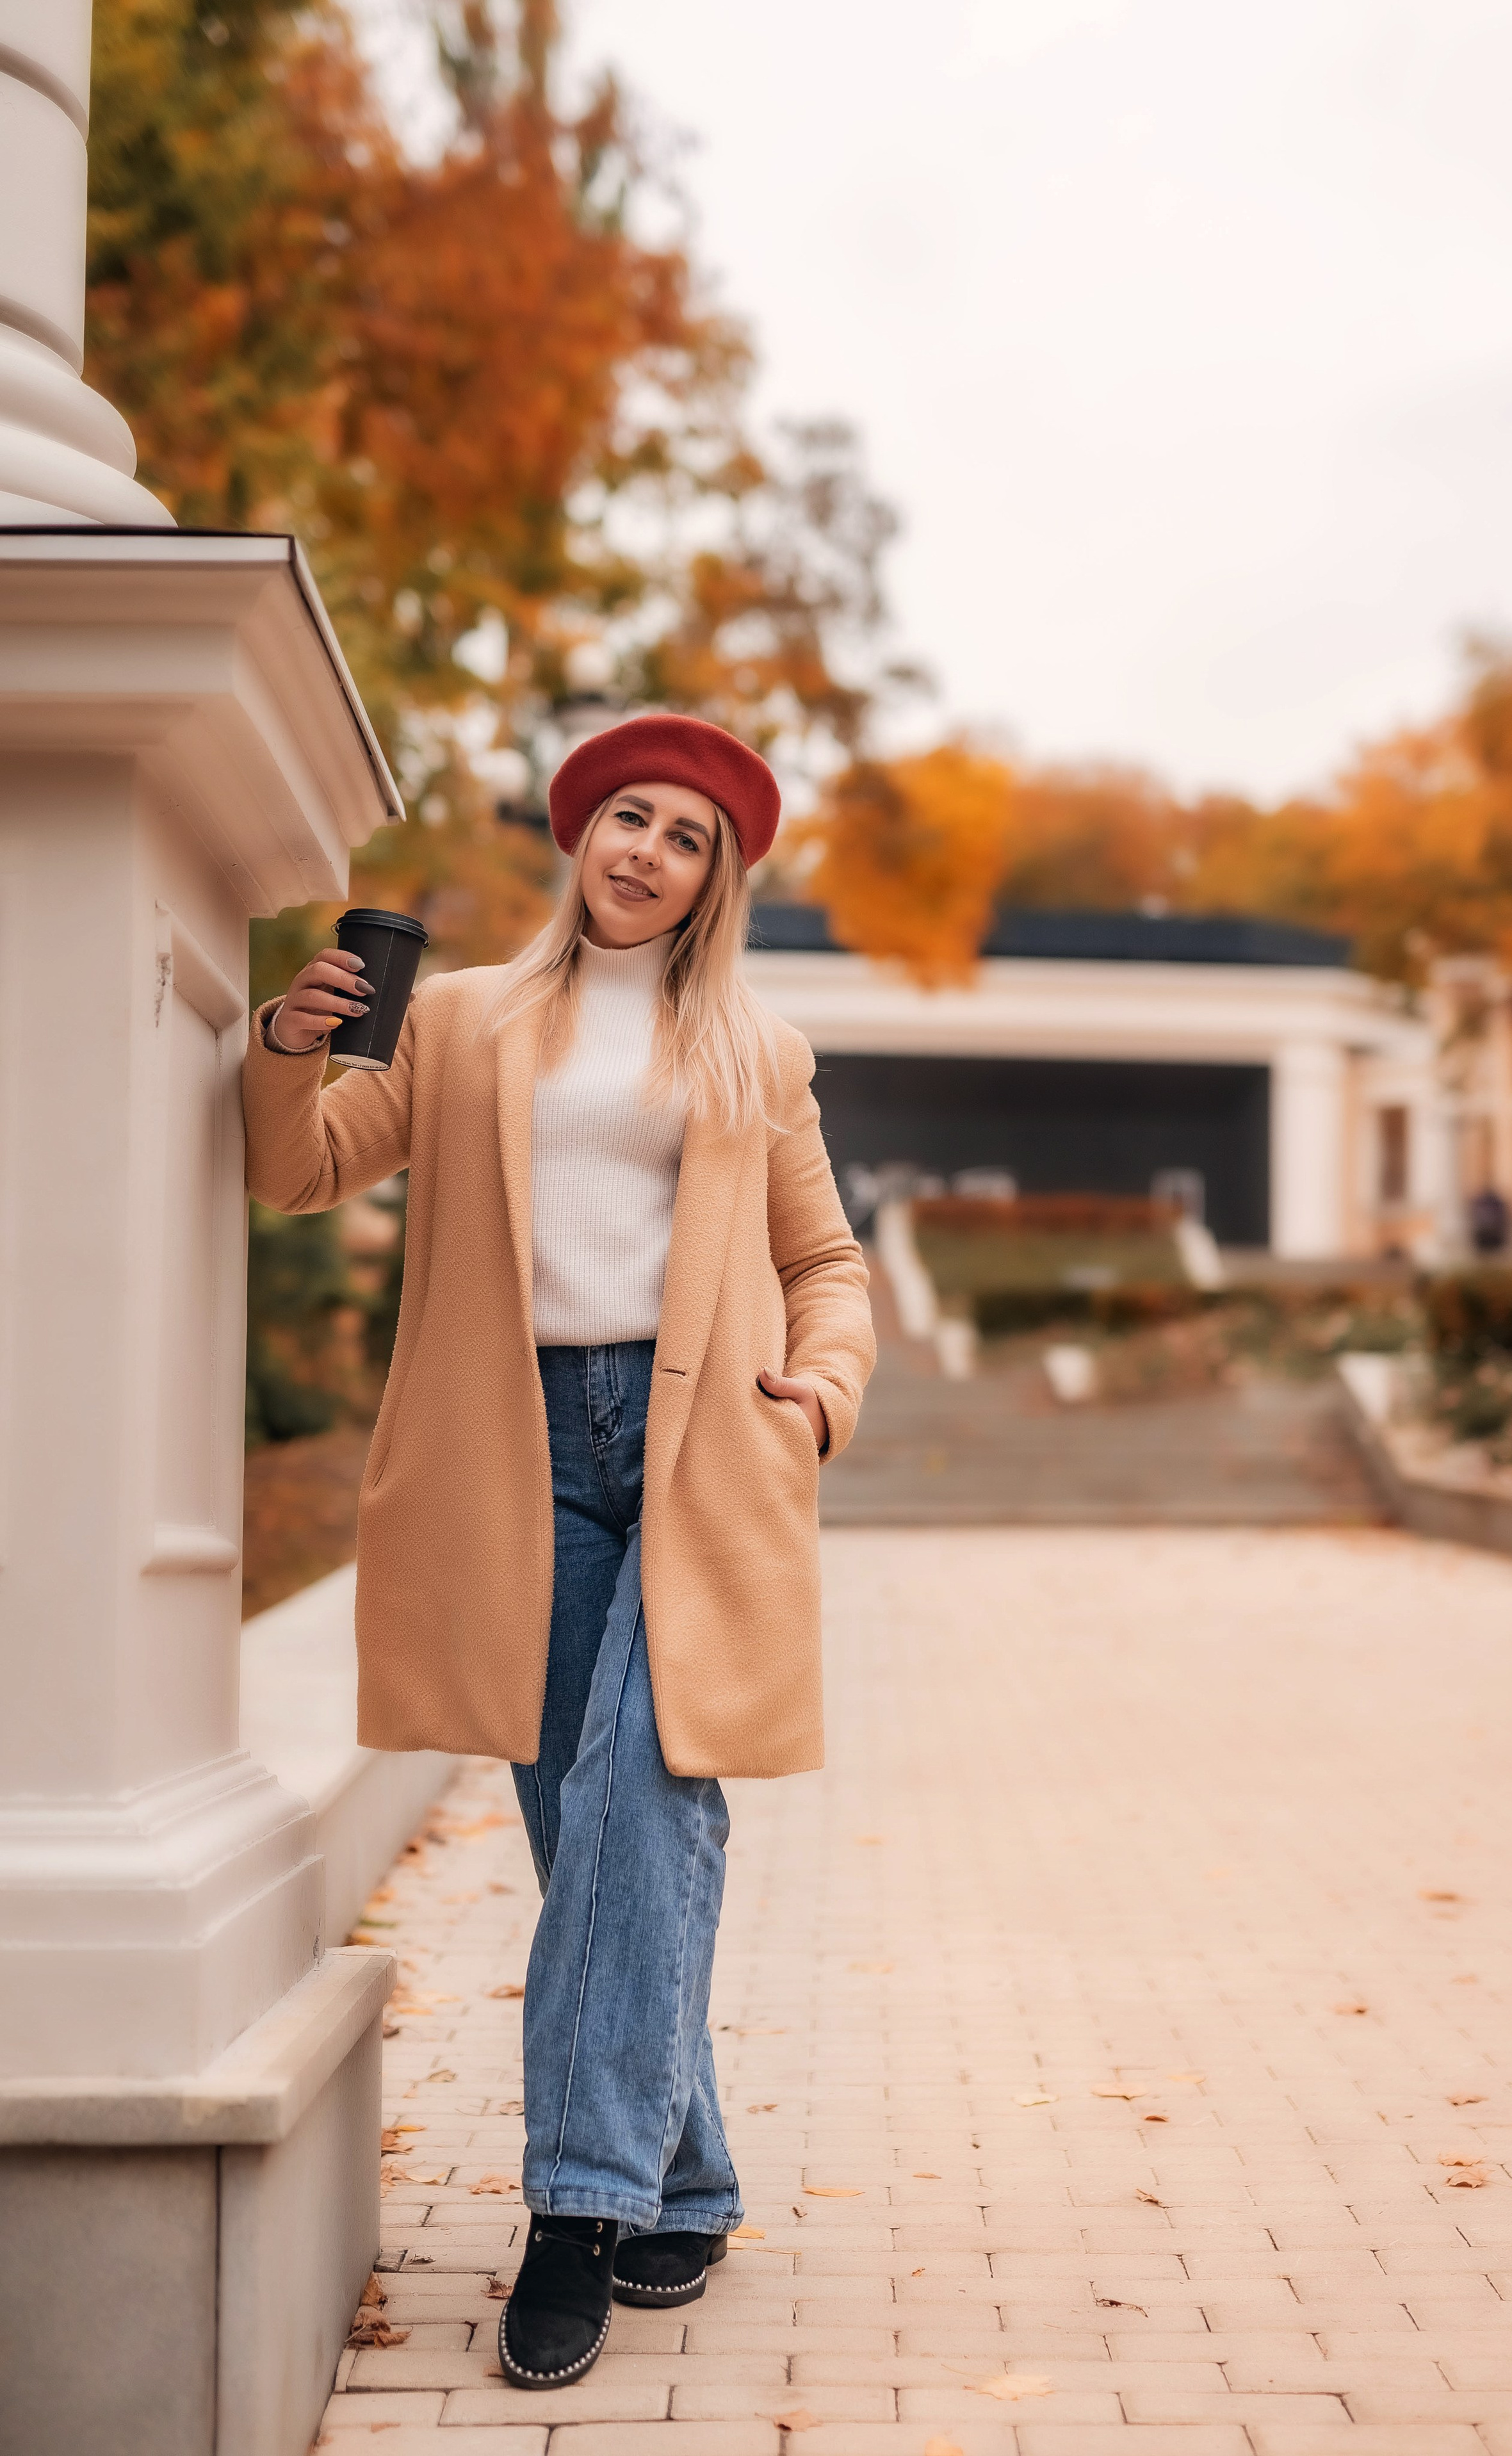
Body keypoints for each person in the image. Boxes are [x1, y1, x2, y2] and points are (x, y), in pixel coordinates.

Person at [241, 712, 875, 2389]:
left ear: (713, 878)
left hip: (696, 1455)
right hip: (514, 1456)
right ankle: (692, 2172)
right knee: (591, 1831)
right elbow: (295, 1167)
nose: (647, 850)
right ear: (578, 832)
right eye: (627, 817)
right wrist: (286, 1042)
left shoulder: (759, 1051)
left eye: (685, 836)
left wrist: (818, 1395)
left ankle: (577, 2208)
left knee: (640, 1797)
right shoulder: (457, 1024)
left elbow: (830, 1264)